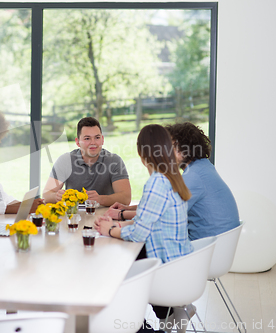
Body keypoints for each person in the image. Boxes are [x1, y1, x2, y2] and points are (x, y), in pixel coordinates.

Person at [94, 124, 193, 333]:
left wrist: (110, 230)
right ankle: (169, 316)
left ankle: (141, 328)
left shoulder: (157, 182)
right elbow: (150, 221)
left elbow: (139, 233)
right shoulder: (173, 177)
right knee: (128, 261)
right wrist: (118, 225)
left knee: (113, 277)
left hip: (167, 272)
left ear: (142, 154)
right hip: (181, 266)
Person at [105, 122, 240, 241]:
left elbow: (158, 215)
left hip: (203, 247)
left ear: (184, 149)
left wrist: (121, 215)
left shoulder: (193, 177)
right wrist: (129, 208)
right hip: (216, 243)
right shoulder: (202, 168)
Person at [43, 117, 131, 206]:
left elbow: (126, 198)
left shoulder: (114, 161)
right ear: (77, 142)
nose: (93, 142)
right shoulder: (65, 161)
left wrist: (100, 199)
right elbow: (46, 195)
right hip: (74, 216)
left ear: (102, 139)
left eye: (97, 137)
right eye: (87, 138)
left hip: (106, 217)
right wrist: (56, 196)